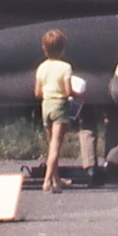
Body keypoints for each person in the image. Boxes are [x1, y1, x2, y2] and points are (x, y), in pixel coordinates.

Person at [34, 29, 73, 193]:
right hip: (59, 106)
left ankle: (56, 181)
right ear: (63, 49)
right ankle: (47, 180)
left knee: (51, 144)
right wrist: (81, 94)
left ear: (44, 48)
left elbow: (37, 92)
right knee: (56, 145)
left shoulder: (41, 68)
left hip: (46, 106)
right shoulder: (65, 67)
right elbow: (68, 91)